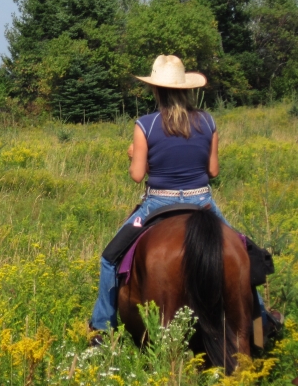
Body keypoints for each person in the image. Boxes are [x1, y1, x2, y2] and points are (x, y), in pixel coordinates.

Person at [89, 55, 279, 336]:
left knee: (110, 259)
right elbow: (213, 170)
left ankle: (102, 329)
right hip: (202, 201)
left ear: (156, 89)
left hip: (158, 202)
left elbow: (137, 175)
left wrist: (134, 155)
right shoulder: (208, 121)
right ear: (186, 89)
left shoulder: (146, 125)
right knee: (245, 258)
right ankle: (263, 323)